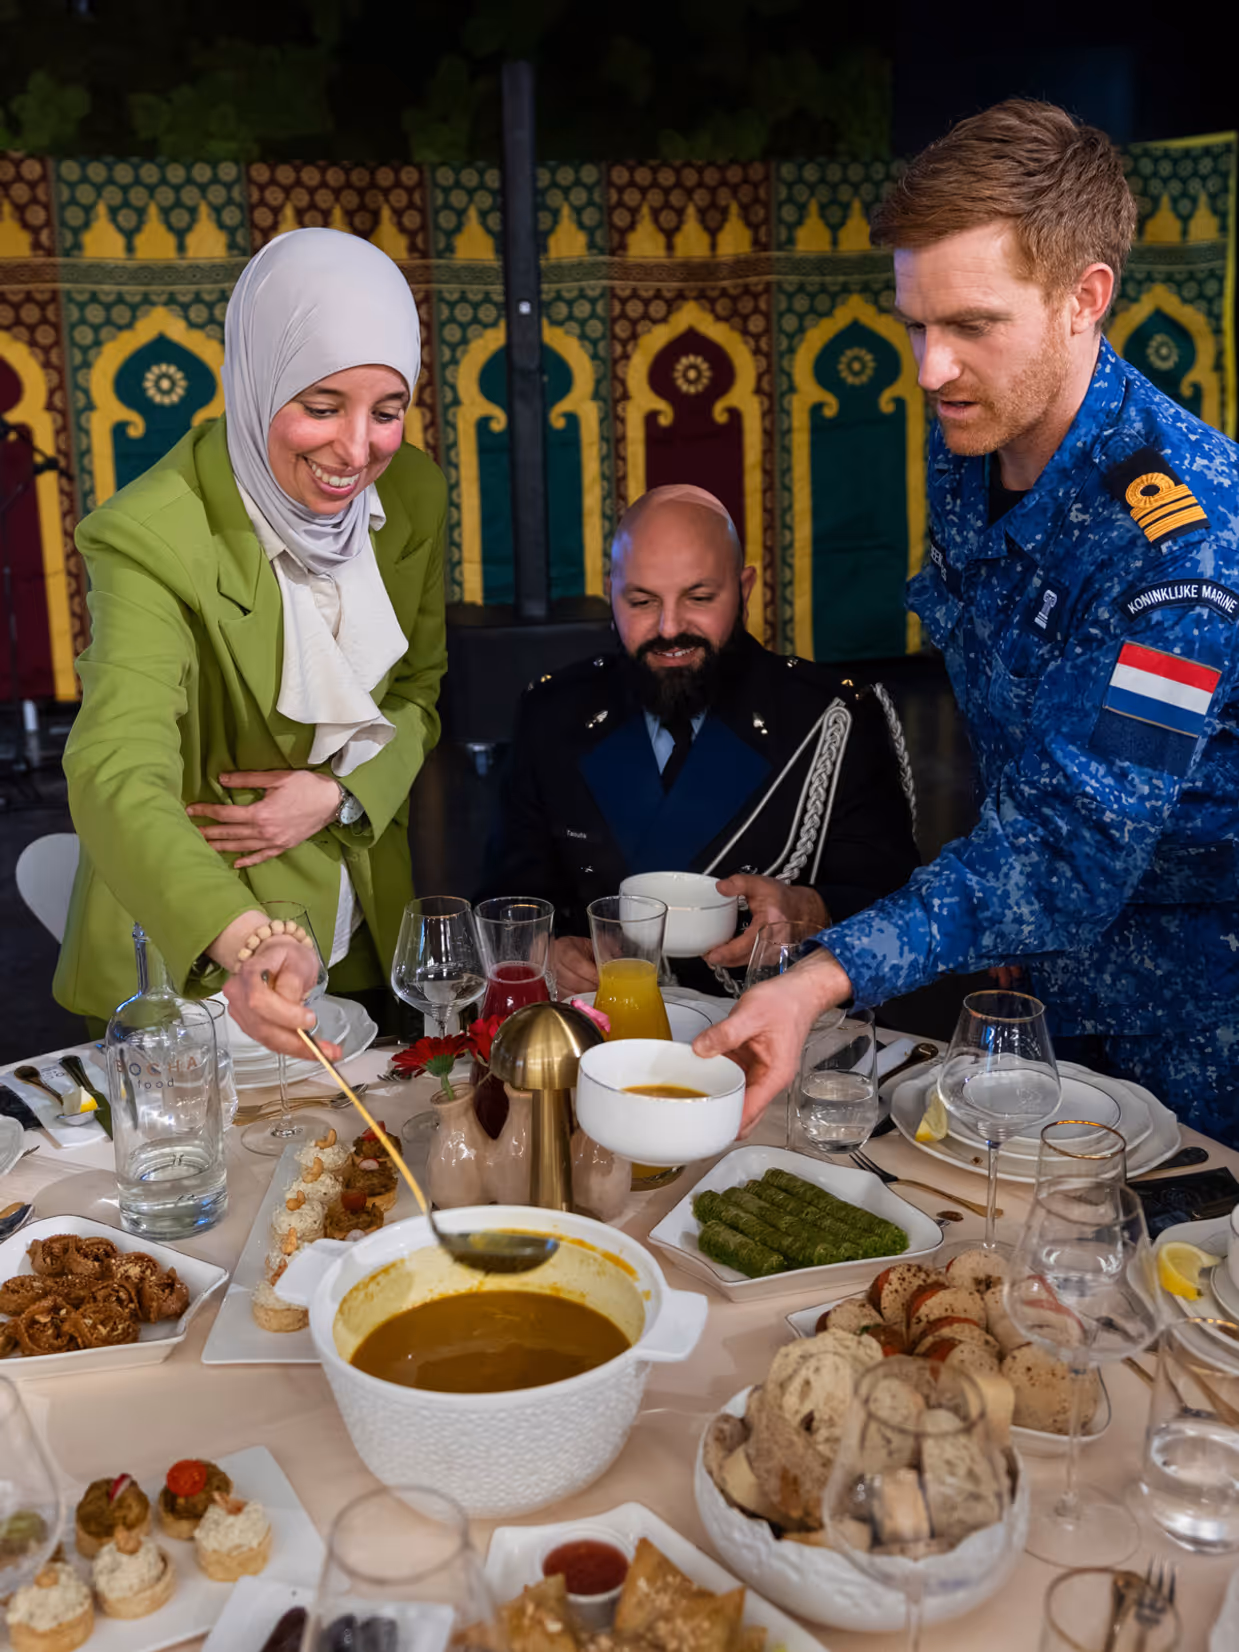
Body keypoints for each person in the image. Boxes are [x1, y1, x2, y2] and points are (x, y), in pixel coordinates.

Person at [699, 99, 1239, 1145]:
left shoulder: (1181, 548)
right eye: (917, 323)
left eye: (971, 326)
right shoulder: (975, 434)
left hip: (1196, 1040)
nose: (928, 370)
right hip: (1033, 994)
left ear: (1085, 299)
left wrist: (826, 972)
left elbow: (1064, 856)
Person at [53, 227, 447, 1057]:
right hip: (193, 959)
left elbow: (417, 692)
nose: (356, 450)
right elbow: (117, 768)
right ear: (257, 380)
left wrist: (338, 793)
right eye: (319, 406)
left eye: (387, 410)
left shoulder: (410, 492)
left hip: (357, 910)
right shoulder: (148, 537)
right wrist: (239, 940)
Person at [478, 483, 920, 995]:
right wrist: (544, 951)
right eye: (642, 601)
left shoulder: (833, 719)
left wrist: (808, 910)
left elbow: (901, 909)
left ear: (745, 589)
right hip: (610, 1032)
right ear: (612, 594)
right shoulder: (554, 713)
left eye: (700, 598)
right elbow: (507, 903)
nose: (669, 628)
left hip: (776, 1032)